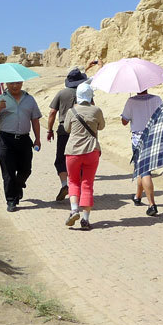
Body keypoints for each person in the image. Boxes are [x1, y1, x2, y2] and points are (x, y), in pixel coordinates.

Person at [46, 60, 100, 202]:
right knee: (82, 160)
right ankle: (81, 190)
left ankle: (65, 184)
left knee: (61, 159)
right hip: (83, 131)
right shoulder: (86, 93)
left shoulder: (61, 93)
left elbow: (52, 112)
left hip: (64, 129)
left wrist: (49, 130)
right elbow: (93, 110)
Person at [0, 80, 42, 212]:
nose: (14, 86)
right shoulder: (0, 98)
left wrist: (37, 139)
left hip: (24, 139)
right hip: (6, 140)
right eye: (11, 83)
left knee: (26, 169)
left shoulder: (30, 99)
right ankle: (11, 200)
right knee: (8, 172)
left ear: (22, 83)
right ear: (6, 84)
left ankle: (17, 186)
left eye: (17, 83)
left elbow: (35, 119)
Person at [63, 82, 105, 230]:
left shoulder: (71, 111)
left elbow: (67, 128)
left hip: (73, 151)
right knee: (87, 184)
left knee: (73, 181)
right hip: (91, 150)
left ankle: (74, 210)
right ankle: (85, 220)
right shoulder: (96, 110)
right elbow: (101, 126)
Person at [121, 89, 162, 216]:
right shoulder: (157, 99)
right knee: (140, 168)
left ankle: (152, 204)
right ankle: (138, 196)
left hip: (138, 139)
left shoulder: (131, 101)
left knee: (144, 171)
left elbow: (124, 121)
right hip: (153, 137)